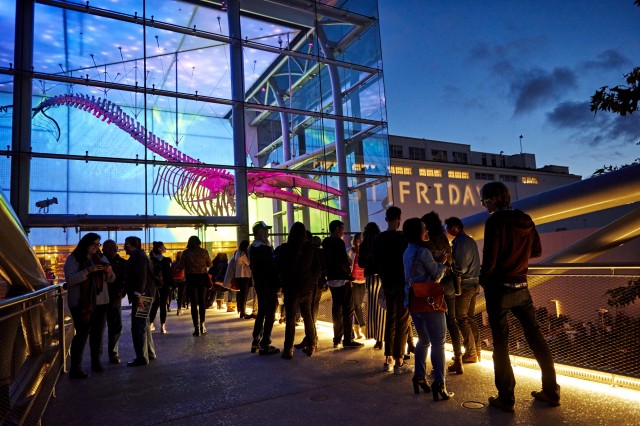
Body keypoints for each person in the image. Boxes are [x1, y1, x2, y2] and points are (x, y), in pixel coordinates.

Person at [479, 181, 560, 412]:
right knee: (536, 338)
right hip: (522, 288)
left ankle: (506, 397)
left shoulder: (494, 221)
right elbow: (537, 251)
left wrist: (484, 280)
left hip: (499, 290)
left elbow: (490, 261)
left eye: (483, 200)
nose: (483, 205)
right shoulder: (525, 219)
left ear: (493, 199)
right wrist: (518, 258)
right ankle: (551, 390)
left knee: (501, 343)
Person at [402, 218, 453, 401]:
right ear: (418, 231)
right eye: (424, 228)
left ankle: (419, 376)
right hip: (430, 302)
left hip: (414, 302)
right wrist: (441, 262)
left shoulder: (407, 251)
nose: (427, 231)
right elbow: (437, 275)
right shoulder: (423, 251)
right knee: (438, 343)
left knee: (423, 340)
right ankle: (439, 383)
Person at [63, 233, 115, 378]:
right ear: (85, 244)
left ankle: (96, 362)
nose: (96, 247)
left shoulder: (101, 258)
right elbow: (70, 280)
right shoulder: (73, 259)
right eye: (93, 244)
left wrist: (109, 272)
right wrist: (88, 271)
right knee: (82, 333)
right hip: (81, 303)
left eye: (98, 244)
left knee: (98, 333)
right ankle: (75, 368)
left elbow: (111, 280)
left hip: (100, 302)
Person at [422, 211, 463, 374]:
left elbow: (428, 264)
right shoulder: (444, 238)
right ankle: (458, 359)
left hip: (436, 286)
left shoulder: (428, 242)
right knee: (452, 322)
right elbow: (450, 261)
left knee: (436, 326)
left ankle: (438, 365)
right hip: (449, 286)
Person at [373, 206, 409, 373]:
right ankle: (399, 360)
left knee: (391, 319)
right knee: (402, 320)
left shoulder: (378, 239)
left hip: (386, 283)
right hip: (401, 283)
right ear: (399, 219)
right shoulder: (403, 238)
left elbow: (374, 261)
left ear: (386, 219)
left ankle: (387, 358)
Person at [275, 222, 320, 359]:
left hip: (291, 287)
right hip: (306, 286)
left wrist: (282, 281)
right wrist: (312, 281)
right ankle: (312, 344)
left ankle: (288, 349)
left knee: (290, 318)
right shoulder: (309, 248)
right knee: (308, 316)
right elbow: (317, 267)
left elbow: (278, 266)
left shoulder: (284, 248)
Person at [445, 216, 482, 363]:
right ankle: (477, 351)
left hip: (465, 285)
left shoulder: (459, 242)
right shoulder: (471, 240)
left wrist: (448, 265)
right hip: (475, 283)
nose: (446, 231)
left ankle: (471, 352)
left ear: (454, 228)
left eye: (447, 228)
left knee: (461, 318)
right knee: (470, 317)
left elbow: (461, 267)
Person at [322, 220, 363, 349]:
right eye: (341, 228)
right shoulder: (338, 242)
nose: (343, 231)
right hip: (342, 279)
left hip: (331, 279)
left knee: (336, 309)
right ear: (336, 229)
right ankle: (348, 339)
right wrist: (348, 275)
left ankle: (337, 339)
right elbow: (343, 261)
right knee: (347, 309)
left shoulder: (326, 243)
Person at [123, 236, 156, 367]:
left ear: (133, 245)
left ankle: (142, 357)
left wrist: (138, 295)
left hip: (142, 296)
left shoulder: (138, 257)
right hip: (145, 295)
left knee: (138, 327)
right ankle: (149, 353)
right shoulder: (141, 256)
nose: (125, 247)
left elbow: (141, 277)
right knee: (144, 324)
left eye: (127, 245)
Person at [249, 221, 280, 355]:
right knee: (270, 313)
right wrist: (278, 284)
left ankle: (256, 339)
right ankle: (265, 343)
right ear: (261, 232)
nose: (268, 232)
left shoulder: (252, 248)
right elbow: (273, 268)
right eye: (266, 230)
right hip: (269, 285)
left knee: (262, 311)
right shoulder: (265, 248)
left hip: (259, 285)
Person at [359, 222, 385, 350]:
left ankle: (376, 337)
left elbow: (361, 264)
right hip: (382, 277)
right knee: (382, 308)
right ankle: (383, 336)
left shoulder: (364, 245)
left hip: (369, 278)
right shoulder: (381, 243)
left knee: (372, 307)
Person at [179, 236, 212, 336]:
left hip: (191, 278)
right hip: (202, 277)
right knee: (202, 302)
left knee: (193, 303)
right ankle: (202, 325)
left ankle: (196, 328)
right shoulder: (204, 252)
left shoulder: (186, 253)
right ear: (198, 242)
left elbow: (181, 266)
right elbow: (210, 264)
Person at [102, 239, 126, 364]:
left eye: (113, 247)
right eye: (109, 247)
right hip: (101, 299)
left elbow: (125, 279)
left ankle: (113, 353)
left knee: (115, 327)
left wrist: (122, 292)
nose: (112, 249)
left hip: (115, 298)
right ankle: (101, 356)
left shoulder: (122, 263)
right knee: (100, 328)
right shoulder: (99, 261)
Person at [148, 241, 174, 334]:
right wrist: (172, 285)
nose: (165, 248)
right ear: (159, 249)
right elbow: (168, 274)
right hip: (164, 285)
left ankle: (150, 324)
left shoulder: (150, 259)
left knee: (154, 305)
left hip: (153, 286)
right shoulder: (165, 260)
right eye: (164, 247)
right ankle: (163, 326)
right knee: (163, 305)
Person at [348, 233, 366, 340]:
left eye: (361, 239)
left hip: (363, 281)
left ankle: (356, 329)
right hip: (354, 281)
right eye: (358, 239)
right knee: (357, 305)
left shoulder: (365, 251)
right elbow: (348, 264)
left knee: (357, 305)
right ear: (355, 241)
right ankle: (363, 327)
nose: (359, 241)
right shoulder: (351, 251)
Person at [233, 240, 253, 318]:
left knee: (241, 294)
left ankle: (241, 310)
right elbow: (248, 263)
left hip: (238, 275)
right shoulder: (243, 254)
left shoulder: (237, 253)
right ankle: (243, 311)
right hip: (244, 275)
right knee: (244, 294)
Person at [171, 251, 187, 315]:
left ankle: (171, 304)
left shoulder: (174, 262)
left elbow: (171, 271)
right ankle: (179, 308)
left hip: (175, 280)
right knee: (181, 295)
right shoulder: (184, 263)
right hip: (183, 280)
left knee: (175, 294)